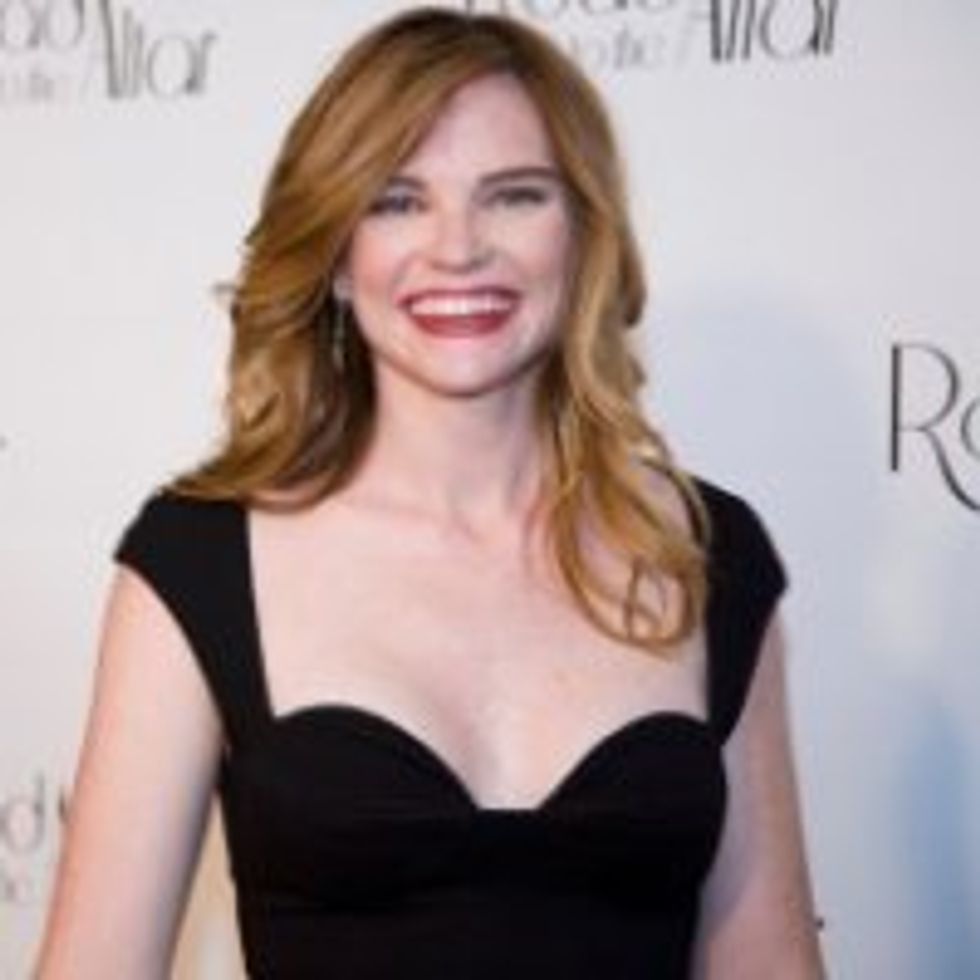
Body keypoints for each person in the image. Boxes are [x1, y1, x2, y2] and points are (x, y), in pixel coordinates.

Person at [36, 7, 824, 978]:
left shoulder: (704, 550)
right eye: (397, 201)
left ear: (582, 236)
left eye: (514, 196)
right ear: (335, 255)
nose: (457, 248)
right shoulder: (198, 561)